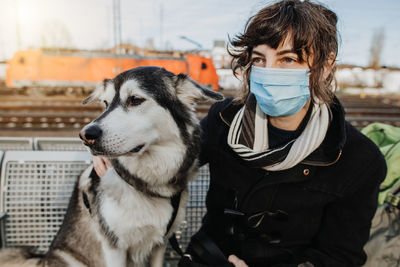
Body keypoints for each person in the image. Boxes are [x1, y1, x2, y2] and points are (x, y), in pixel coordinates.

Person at [93, 1, 387, 266]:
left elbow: (339, 257)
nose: (269, 70)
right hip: (208, 258)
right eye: (259, 59)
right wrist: (120, 150)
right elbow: (172, 159)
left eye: (288, 60)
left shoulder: (357, 159)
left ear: (324, 67)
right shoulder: (223, 119)